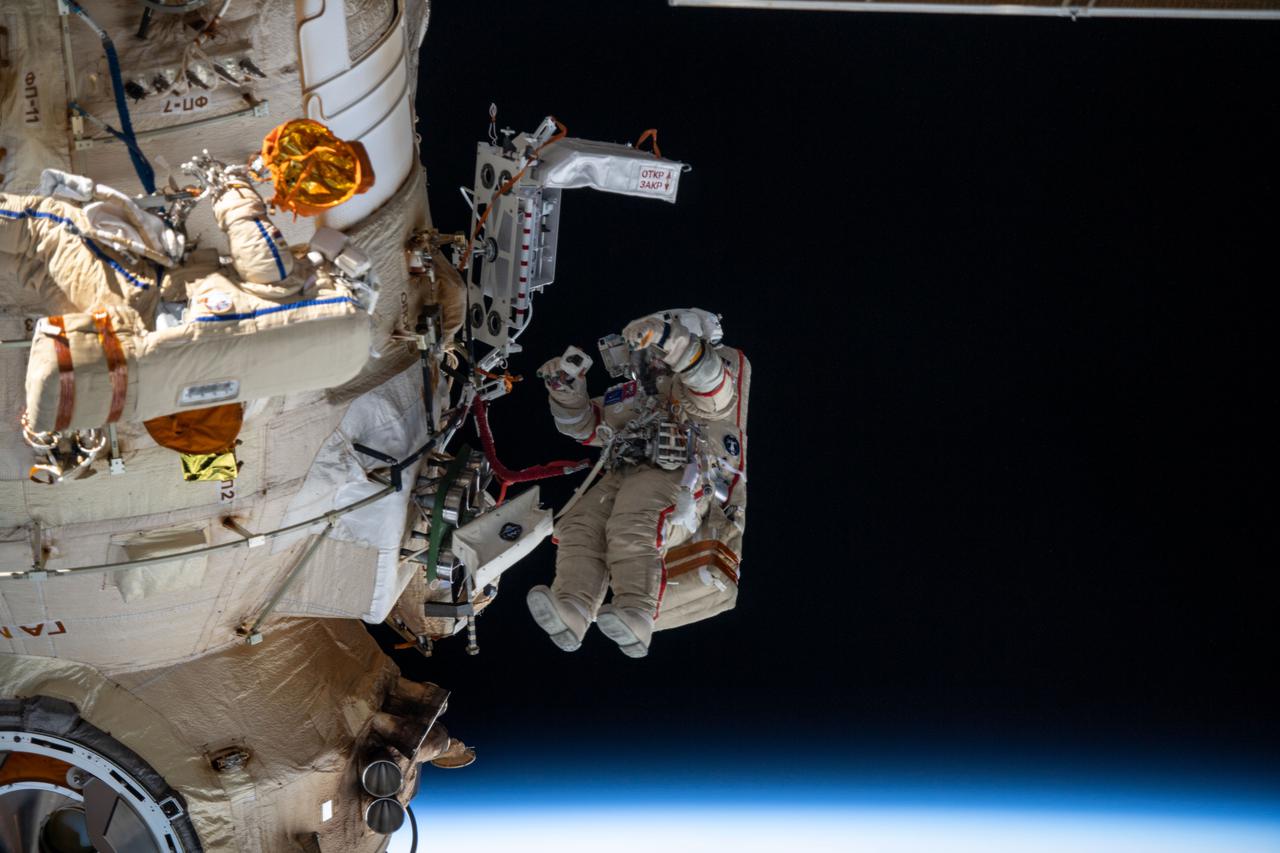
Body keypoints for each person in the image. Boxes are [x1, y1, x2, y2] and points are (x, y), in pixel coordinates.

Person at [526, 308, 748, 658]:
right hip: (626, 471)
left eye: (653, 348)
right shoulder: (637, 394)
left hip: (681, 474)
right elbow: (585, 426)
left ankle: (637, 613)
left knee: (632, 523)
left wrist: (669, 338)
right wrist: (565, 391)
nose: (647, 357)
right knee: (579, 526)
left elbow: (710, 383)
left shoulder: (710, 384)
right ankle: (574, 607)